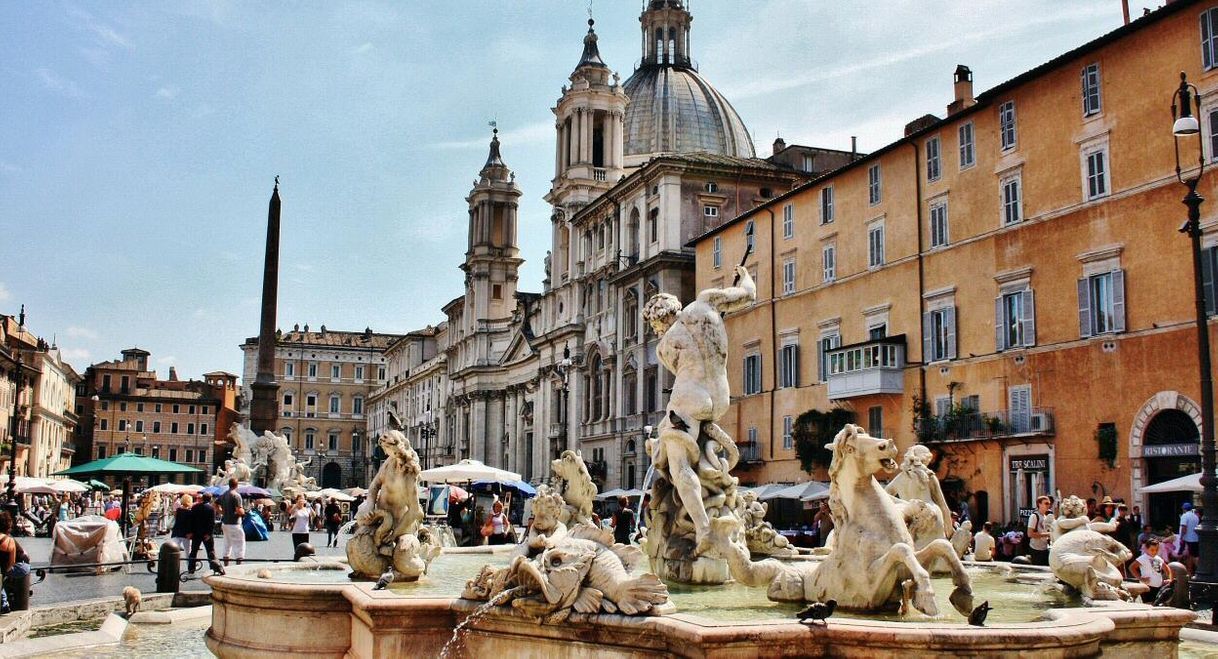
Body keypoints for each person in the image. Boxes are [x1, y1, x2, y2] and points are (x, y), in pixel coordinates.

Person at [642, 265, 756, 556]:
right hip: (719, 399)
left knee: (679, 466)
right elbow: (748, 294)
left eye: (653, 327)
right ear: (676, 306)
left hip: (689, 399)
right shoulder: (706, 302)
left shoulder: (664, 345)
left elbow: (679, 370)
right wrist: (744, 276)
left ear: (657, 322)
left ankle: (704, 528)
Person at [187, 493, 222, 574]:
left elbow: (191, 521)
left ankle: (191, 569)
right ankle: (212, 568)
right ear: (210, 499)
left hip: (196, 533)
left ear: (202, 498)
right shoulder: (211, 508)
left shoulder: (195, 507)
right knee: (210, 551)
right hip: (206, 533)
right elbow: (212, 522)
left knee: (193, 551)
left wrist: (191, 531)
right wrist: (209, 534)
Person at [1130, 537, 1170, 603]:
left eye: (1156, 550)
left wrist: (1168, 579)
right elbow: (1132, 567)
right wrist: (1140, 578)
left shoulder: (1158, 558)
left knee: (1156, 604)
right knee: (1148, 604)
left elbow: (1166, 568)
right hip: (1147, 587)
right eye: (1152, 550)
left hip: (1158, 586)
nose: (1154, 552)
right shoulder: (1143, 558)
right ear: (1146, 549)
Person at [217, 478, 245, 567]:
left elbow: (214, 504)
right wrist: (243, 512)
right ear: (237, 485)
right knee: (239, 544)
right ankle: (238, 565)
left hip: (225, 523)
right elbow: (239, 510)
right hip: (235, 523)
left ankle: (226, 565)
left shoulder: (224, 494)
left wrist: (222, 512)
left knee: (227, 543)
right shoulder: (236, 495)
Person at [1026, 495, 1054, 566]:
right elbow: (1030, 534)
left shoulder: (1045, 517)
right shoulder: (1034, 516)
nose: (1048, 505)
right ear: (1039, 504)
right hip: (1036, 549)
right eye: (1046, 503)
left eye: (1049, 503)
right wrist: (1048, 534)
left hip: (1044, 548)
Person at [1180, 502, 1201, 574]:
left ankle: (1201, 570)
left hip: (1188, 539)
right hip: (1196, 538)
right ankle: (1190, 573)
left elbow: (1184, 528)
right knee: (1190, 556)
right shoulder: (1195, 516)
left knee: (1194, 556)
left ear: (1183, 509)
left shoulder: (1184, 516)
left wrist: (1181, 537)